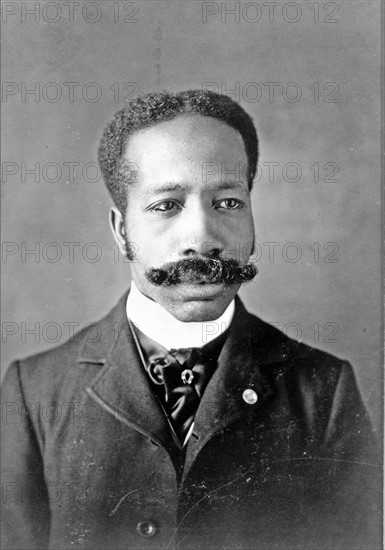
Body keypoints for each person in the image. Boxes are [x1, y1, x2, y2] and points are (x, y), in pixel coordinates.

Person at [1, 90, 381, 550]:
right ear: (122, 231)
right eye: (167, 205)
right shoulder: (35, 390)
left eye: (227, 203)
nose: (202, 237)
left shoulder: (324, 390)